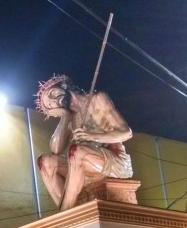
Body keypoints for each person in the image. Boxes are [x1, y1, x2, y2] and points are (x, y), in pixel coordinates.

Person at [35, 75, 133, 211]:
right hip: (83, 167)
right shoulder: (70, 118)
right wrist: (65, 116)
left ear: (63, 85)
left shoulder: (97, 99)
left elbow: (126, 133)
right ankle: (70, 211)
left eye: (52, 94)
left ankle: (65, 212)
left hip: (113, 161)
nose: (54, 100)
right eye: (50, 104)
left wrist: (93, 136)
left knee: (76, 151)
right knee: (45, 162)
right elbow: (55, 150)